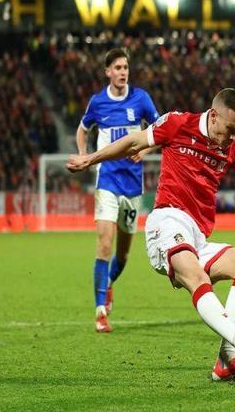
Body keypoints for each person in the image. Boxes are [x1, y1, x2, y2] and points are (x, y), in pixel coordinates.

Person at [67, 88, 235, 382]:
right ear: (213, 116)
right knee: (197, 276)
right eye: (230, 129)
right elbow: (134, 141)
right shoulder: (177, 123)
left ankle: (225, 363)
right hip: (166, 222)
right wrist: (90, 159)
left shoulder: (231, 149)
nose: (233, 137)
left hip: (196, 237)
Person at [76, 48, 159, 333]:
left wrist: (145, 151)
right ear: (108, 72)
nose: (123, 72)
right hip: (107, 181)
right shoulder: (98, 102)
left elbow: (161, 130)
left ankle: (109, 282)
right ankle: (100, 311)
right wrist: (84, 155)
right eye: (118, 68)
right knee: (104, 244)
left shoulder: (141, 99)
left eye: (126, 67)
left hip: (133, 185)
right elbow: (82, 129)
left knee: (122, 256)